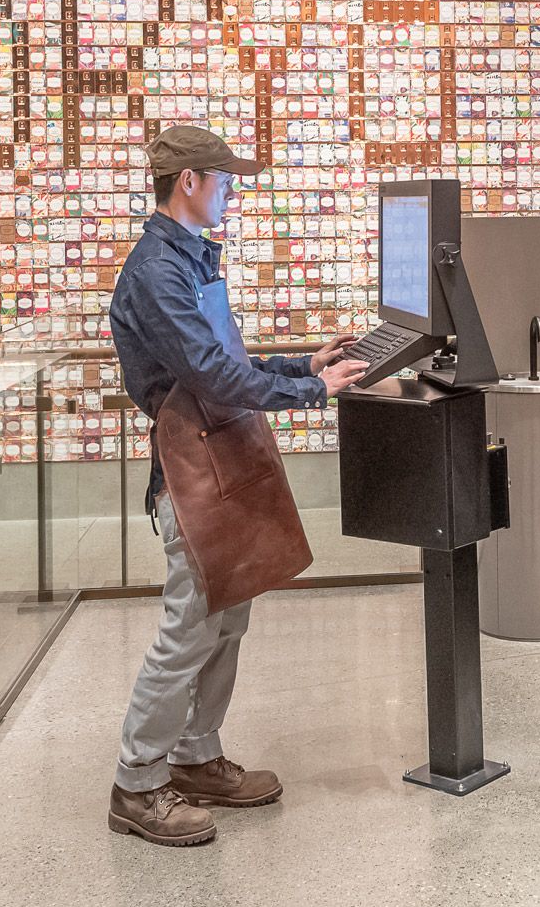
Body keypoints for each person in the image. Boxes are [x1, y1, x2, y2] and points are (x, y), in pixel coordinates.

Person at [105, 124, 368, 848]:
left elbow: (228, 359)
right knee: (188, 628)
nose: (230, 191)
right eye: (223, 179)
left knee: (226, 617)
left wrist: (300, 363)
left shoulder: (186, 260)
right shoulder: (159, 272)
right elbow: (214, 376)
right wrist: (314, 391)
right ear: (188, 181)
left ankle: (194, 757)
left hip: (218, 462)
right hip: (191, 476)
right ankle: (137, 781)